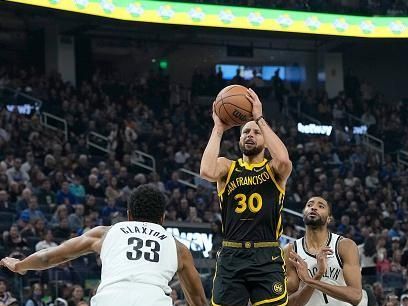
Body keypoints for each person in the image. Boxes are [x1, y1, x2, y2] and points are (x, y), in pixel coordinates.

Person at [1, 185, 208, 306]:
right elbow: (198, 300)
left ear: (128, 216)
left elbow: (50, 256)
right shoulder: (178, 248)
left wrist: (20, 265)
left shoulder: (106, 233)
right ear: (162, 219)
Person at [200, 88, 292, 306]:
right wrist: (218, 128)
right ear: (239, 139)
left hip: (266, 254)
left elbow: (285, 159)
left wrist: (259, 118)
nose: (250, 135)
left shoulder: (273, 169)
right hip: (232, 253)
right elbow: (206, 171)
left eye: (256, 132)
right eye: (245, 132)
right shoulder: (227, 167)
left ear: (265, 140)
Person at [285, 196, 366, 306]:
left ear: (329, 218)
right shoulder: (291, 250)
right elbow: (291, 303)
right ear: (303, 214)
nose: (313, 208)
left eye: (320, 206)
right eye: (309, 205)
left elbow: (356, 296)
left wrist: (310, 280)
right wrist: (318, 275)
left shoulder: (345, 246)